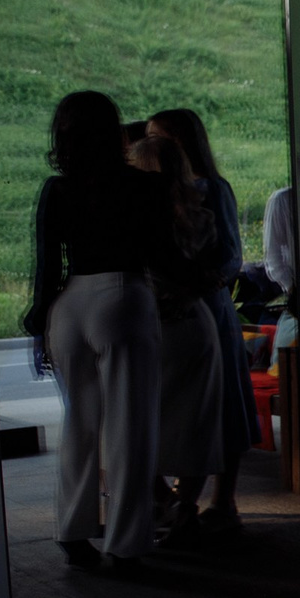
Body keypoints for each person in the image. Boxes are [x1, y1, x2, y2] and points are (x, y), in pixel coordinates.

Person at [22, 92, 175, 568]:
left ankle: (73, 528)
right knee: (130, 428)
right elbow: (163, 256)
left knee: (79, 423)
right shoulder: (145, 187)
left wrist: (39, 323)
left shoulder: (57, 189)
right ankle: (128, 542)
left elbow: (47, 266)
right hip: (124, 296)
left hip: (70, 304)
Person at [151, 108, 259, 533]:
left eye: (160, 137)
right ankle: (185, 501)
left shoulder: (212, 187)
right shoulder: (164, 190)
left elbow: (231, 254)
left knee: (224, 400)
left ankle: (223, 500)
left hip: (208, 305)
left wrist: (196, 285)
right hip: (183, 304)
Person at [132, 131, 225, 541]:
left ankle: (161, 501)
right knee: (196, 422)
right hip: (194, 323)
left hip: (150, 322)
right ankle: (186, 507)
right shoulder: (199, 216)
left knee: (138, 420)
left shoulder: (135, 221)